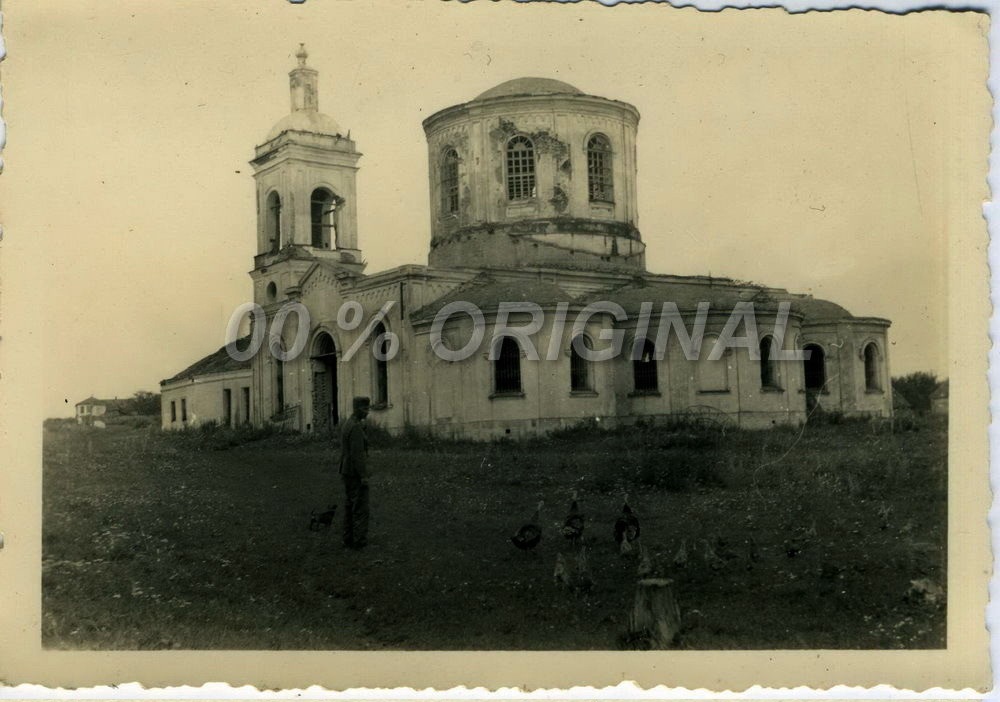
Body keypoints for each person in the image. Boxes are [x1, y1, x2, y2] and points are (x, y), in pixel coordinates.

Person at [339, 396, 371, 549]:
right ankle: (359, 541)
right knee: (360, 507)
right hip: (354, 473)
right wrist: (363, 476)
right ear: (357, 409)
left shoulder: (347, 424)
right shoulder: (356, 427)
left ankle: (348, 538)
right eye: (365, 409)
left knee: (349, 506)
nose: (368, 412)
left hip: (346, 471)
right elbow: (357, 455)